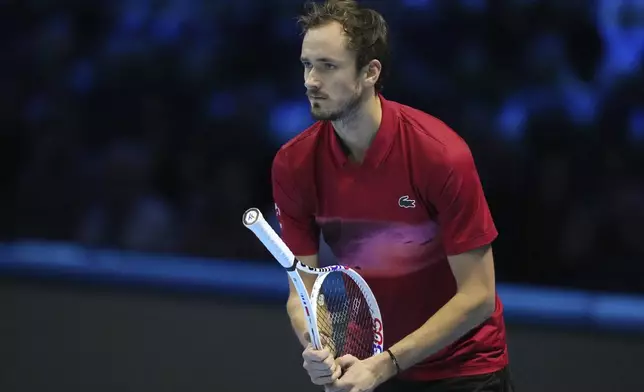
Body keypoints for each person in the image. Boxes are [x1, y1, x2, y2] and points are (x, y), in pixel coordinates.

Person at [271, 1, 514, 391]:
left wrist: (386, 364)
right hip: (371, 366)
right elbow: (302, 292)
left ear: (370, 72)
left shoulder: (440, 155)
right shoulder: (293, 164)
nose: (310, 81)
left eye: (328, 66)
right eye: (306, 64)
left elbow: (479, 296)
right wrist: (318, 348)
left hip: (464, 371)